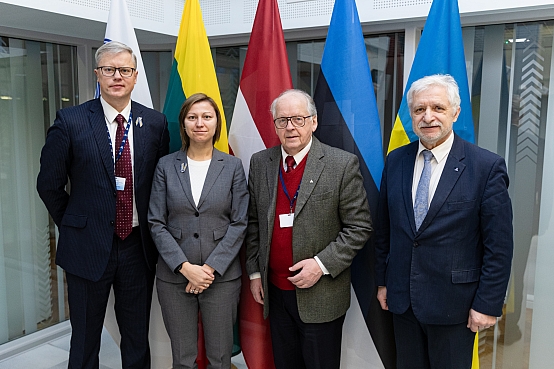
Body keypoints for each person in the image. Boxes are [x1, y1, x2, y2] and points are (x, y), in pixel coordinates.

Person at [36, 41, 169, 368]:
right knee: (84, 339)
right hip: (86, 246)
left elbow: (160, 184)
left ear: (135, 76)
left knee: (137, 337)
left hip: (137, 248)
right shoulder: (70, 120)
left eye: (124, 70)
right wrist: (76, 223)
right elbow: (48, 185)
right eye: (109, 70)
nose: (117, 76)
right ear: (98, 74)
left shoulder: (155, 123)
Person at [375, 74, 514, 369]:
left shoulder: (485, 167)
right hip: (403, 302)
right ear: (411, 115)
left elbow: (498, 246)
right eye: (419, 110)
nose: (428, 117)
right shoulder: (396, 160)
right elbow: (385, 230)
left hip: (456, 307)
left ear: (455, 112)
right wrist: (383, 282)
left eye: (437, 108)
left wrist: (487, 304)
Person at [245, 89, 372, 369]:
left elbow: (359, 226)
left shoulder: (341, 164)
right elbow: (254, 222)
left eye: (298, 119)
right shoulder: (260, 163)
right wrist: (255, 272)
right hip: (275, 294)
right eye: (282, 120)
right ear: (275, 124)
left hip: (321, 295)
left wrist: (321, 264)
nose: (290, 127)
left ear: (313, 122)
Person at [148, 93, 248, 369]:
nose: (200, 123)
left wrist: (209, 269)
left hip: (222, 278)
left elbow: (240, 222)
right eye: (192, 117)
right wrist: (185, 267)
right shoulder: (166, 166)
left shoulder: (232, 166)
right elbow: (156, 222)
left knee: (220, 358)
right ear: (183, 125)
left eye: (207, 117)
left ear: (217, 124)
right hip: (174, 277)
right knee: (182, 359)